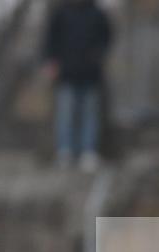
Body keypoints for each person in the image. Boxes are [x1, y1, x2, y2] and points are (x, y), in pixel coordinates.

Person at [43, 0, 114, 171]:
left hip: (91, 75)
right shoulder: (61, 13)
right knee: (65, 114)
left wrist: (98, 56)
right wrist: (51, 62)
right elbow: (50, 40)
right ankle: (65, 151)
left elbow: (107, 38)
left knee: (89, 115)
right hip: (66, 75)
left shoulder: (97, 13)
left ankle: (88, 153)